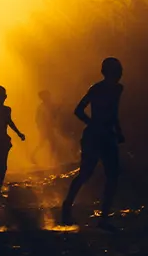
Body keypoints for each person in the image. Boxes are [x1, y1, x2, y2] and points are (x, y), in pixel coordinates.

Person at [61, 57, 125, 228]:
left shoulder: (105, 88)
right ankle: (70, 208)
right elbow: (80, 110)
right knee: (89, 173)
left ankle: (102, 216)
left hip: (100, 135)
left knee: (109, 175)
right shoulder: (109, 89)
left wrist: (114, 130)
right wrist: (101, 126)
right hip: (98, 136)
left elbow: (108, 112)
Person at [30, 90, 61, 165]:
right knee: (49, 144)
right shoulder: (42, 107)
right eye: (47, 95)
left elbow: (54, 115)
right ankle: (34, 156)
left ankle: (51, 161)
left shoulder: (48, 105)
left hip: (48, 128)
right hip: (46, 128)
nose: (49, 97)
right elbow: (38, 119)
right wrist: (42, 128)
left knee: (51, 144)